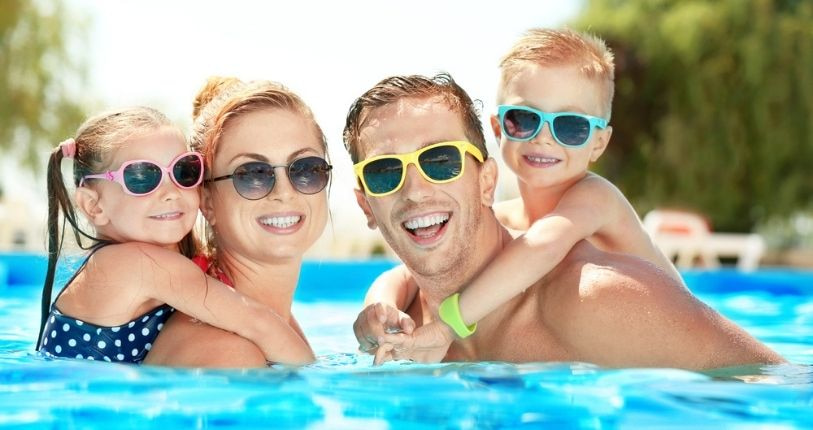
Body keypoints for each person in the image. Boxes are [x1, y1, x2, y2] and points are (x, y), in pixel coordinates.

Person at [346, 72, 785, 368]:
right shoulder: (396, 330)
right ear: (367, 207)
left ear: (486, 182)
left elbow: (776, 387)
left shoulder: (596, 301)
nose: (416, 190)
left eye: (441, 161)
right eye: (385, 172)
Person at [357, 28, 690, 359]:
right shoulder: (504, 217)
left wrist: (447, 326)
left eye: (570, 126)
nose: (544, 138)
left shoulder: (596, 198)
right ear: (498, 128)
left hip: (675, 333)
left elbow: (543, 247)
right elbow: (402, 275)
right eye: (524, 119)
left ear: (599, 143)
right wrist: (379, 310)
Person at [37, 106, 311, 365]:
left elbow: (275, 320)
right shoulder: (133, 264)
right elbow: (256, 322)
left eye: (184, 171)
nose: (171, 192)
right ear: (93, 205)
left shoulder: (172, 260)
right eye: (142, 177)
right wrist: (318, 380)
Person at [144, 78, 331, 367]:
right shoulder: (229, 355)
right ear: (207, 201)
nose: (284, 192)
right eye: (252, 174)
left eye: (306, 169)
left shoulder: (275, 323)